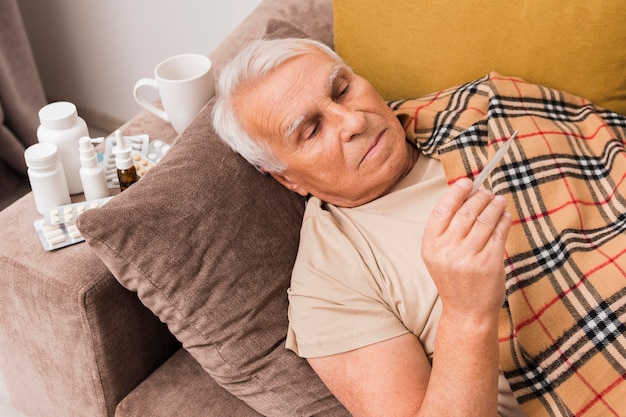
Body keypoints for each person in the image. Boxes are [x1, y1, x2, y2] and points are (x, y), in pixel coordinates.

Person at [213, 37, 626, 417]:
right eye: (311, 130)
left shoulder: (479, 105)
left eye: (342, 89)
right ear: (288, 179)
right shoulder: (328, 287)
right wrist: (466, 314)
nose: (352, 120)